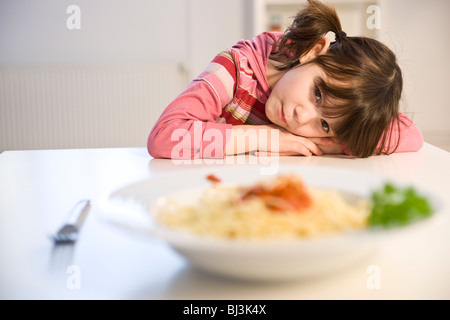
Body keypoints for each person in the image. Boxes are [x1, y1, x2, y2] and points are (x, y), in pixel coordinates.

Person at [147, 0, 423, 159]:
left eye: (324, 124)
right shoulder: (235, 69)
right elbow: (163, 138)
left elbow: (411, 135)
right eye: (317, 94)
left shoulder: (320, 114)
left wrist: (334, 141)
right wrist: (266, 138)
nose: (301, 118)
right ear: (314, 52)